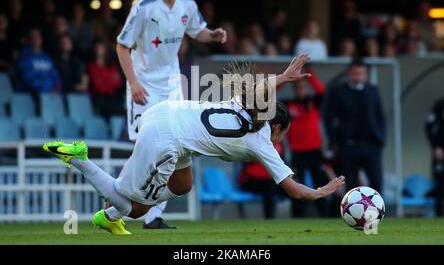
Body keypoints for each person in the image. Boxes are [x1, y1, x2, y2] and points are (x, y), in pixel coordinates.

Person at [42, 54, 345, 235]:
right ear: (275, 126)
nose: (281, 139)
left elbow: (259, 90)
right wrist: (320, 192)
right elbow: (292, 189)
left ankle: (109, 216)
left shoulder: (242, 104)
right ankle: (81, 160)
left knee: (184, 183)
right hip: (165, 139)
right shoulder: (261, 141)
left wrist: (283, 77)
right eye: (283, 133)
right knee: (130, 208)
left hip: (164, 116)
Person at [115, 0, 227, 229]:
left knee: (174, 149)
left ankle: (153, 217)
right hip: (144, 87)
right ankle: (114, 203)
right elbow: (121, 45)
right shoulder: (144, 7)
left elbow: (196, 30)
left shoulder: (187, 5)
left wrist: (211, 35)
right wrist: (133, 83)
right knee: (144, 149)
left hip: (172, 86)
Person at [325, 58, 385, 194]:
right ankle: (353, 213)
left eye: (361, 73)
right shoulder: (339, 91)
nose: (358, 76)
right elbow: (329, 118)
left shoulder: (372, 90)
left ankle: (376, 212)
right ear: (349, 74)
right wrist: (334, 141)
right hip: (348, 145)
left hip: (371, 144)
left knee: (376, 180)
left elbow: (380, 117)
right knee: (351, 183)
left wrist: (380, 138)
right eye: (356, 73)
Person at [283, 67, 329, 217]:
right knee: (296, 185)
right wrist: (285, 78)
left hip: (315, 151)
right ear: (294, 88)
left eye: (303, 87)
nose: (300, 89)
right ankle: (297, 218)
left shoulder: (313, 102)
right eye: (297, 87)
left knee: (320, 184)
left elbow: (322, 91)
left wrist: (309, 73)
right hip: (297, 152)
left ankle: (324, 216)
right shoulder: (288, 104)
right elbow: (270, 97)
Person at [425, 96, 444, 216]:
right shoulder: (440, 104)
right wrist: (436, 146)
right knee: (440, 184)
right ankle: (439, 215)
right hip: (441, 152)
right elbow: (429, 126)